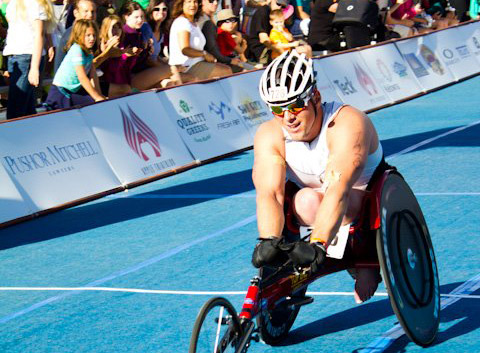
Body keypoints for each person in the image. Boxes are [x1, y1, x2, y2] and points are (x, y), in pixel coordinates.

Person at [251, 50, 385, 304]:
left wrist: (319, 243)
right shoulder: (270, 134)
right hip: (314, 199)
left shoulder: (346, 122)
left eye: (295, 105)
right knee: (303, 201)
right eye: (278, 109)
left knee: (319, 200)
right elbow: (270, 192)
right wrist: (268, 240)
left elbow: (338, 188)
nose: (288, 117)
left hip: (362, 197)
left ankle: (362, 259)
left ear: (316, 97)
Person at [3, 0, 56, 119]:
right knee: (26, 107)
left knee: (16, 110)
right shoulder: (14, 3)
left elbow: (39, 34)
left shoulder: (35, 3)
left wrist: (34, 68)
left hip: (27, 57)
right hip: (14, 56)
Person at [45, 19, 106, 109]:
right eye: (88, 35)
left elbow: (93, 75)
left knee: (93, 104)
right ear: (79, 36)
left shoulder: (89, 52)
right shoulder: (77, 49)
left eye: (94, 35)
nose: (92, 38)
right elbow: (82, 77)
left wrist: (100, 95)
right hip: (60, 93)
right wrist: (96, 97)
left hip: (71, 92)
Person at [169, 0, 232, 80]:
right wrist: (204, 54)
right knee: (226, 71)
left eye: (195, 2)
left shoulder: (193, 23)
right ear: (182, 4)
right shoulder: (182, 22)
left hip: (197, 63)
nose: (192, 5)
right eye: (189, 2)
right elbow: (185, 50)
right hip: (187, 67)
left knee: (225, 68)